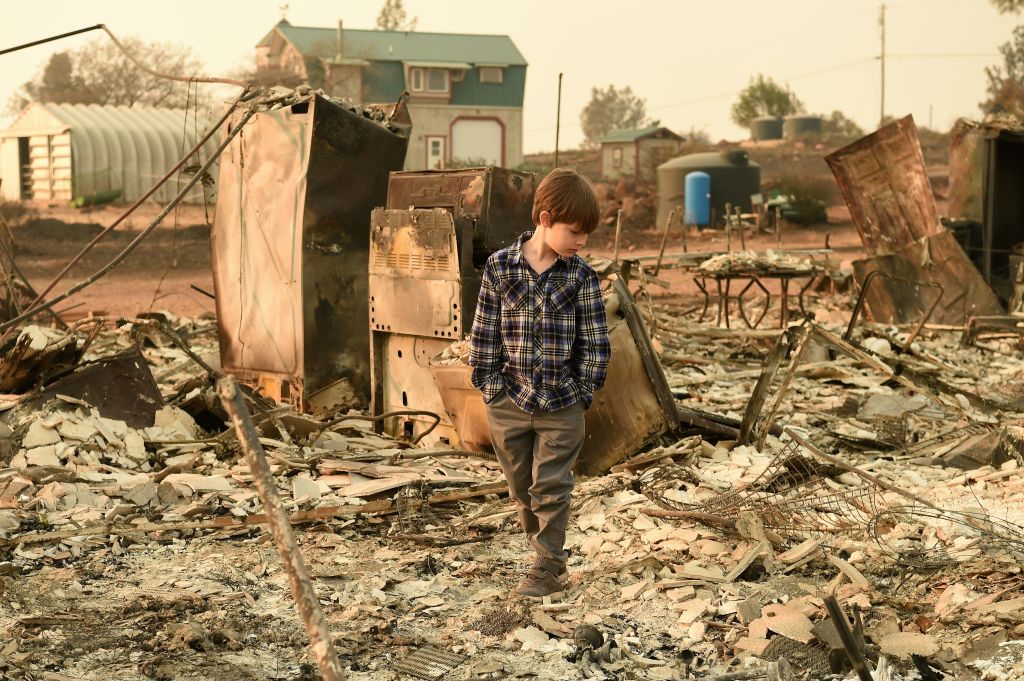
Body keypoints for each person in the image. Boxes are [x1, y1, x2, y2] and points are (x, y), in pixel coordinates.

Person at [469, 168, 611, 600]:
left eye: (587, 234)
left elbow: (596, 343)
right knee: (520, 486)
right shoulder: (500, 267)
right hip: (509, 400)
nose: (581, 241)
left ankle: (548, 564)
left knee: (551, 484)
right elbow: (484, 334)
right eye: (575, 231)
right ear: (545, 218)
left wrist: (583, 392)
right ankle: (541, 552)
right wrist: (490, 387)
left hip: (562, 404)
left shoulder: (581, 277)